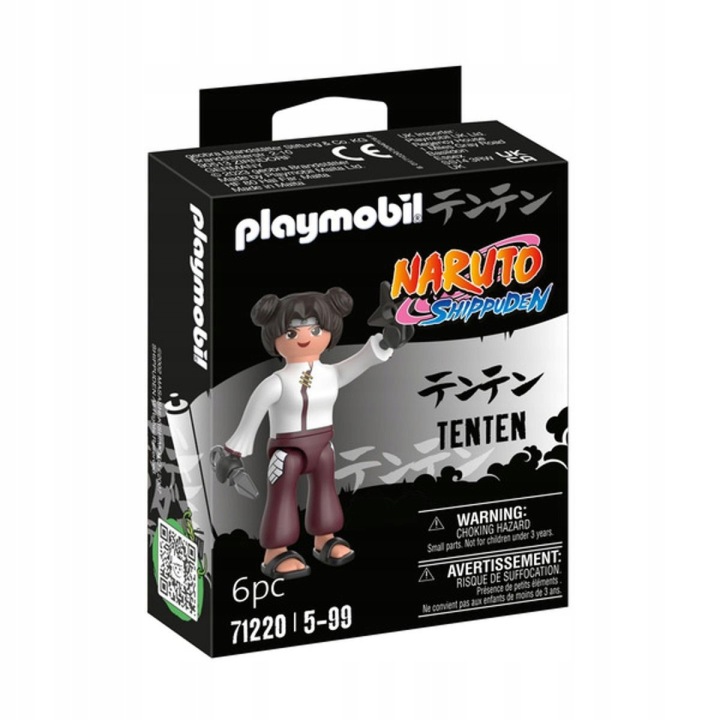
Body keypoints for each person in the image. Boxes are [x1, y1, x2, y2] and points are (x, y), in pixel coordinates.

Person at [222, 287, 394, 580]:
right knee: (281, 498)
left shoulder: (330, 374)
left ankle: (325, 539)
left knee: (326, 491)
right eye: (291, 333)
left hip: (323, 445)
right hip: (286, 451)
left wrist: (386, 341)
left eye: (315, 329)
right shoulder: (275, 383)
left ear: (328, 332)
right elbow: (251, 417)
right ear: (274, 338)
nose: (304, 338)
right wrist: (233, 451)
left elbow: (363, 359)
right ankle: (275, 552)